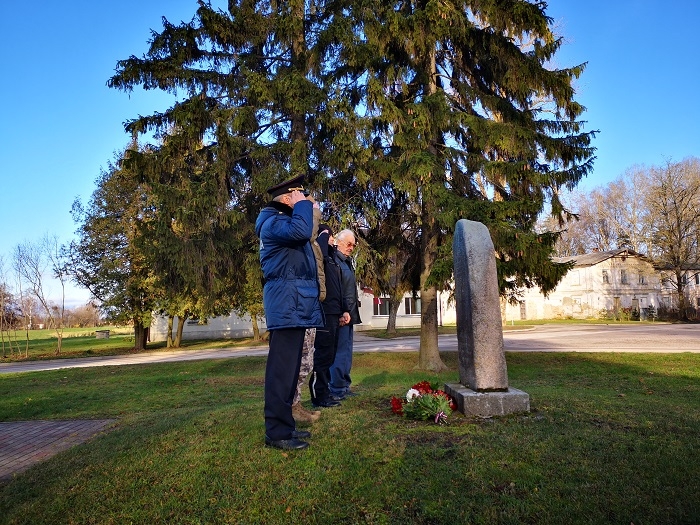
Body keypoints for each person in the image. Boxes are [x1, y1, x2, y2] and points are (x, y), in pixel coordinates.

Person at [255, 174, 324, 450]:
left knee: (290, 370)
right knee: (281, 373)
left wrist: (304, 207)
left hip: (293, 304)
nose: (306, 199)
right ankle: (277, 432)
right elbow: (302, 231)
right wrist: (303, 206)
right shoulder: (273, 223)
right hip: (286, 305)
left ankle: (286, 427)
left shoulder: (281, 221)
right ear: (287, 198)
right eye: (300, 195)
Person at [291, 198, 325, 424]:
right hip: (299, 304)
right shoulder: (301, 236)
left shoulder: (310, 244)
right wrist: (310, 209)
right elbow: (307, 233)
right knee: (300, 360)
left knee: (307, 360)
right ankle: (292, 405)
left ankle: (296, 403)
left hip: (311, 301)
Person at [309, 224, 348, 408]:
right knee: (323, 356)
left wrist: (343, 310)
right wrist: (324, 235)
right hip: (323, 313)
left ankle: (326, 392)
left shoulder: (333, 261)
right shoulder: (321, 254)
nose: (332, 240)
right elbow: (320, 251)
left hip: (334, 313)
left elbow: (339, 288)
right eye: (330, 237)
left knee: (330, 355)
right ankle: (319, 396)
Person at [329, 229, 362, 400]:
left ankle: (344, 385)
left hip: (349, 313)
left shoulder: (346, 262)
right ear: (338, 242)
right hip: (341, 314)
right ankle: (336, 388)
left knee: (346, 352)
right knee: (339, 353)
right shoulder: (334, 261)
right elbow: (336, 289)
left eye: (353, 245)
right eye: (349, 244)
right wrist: (343, 311)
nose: (351, 247)